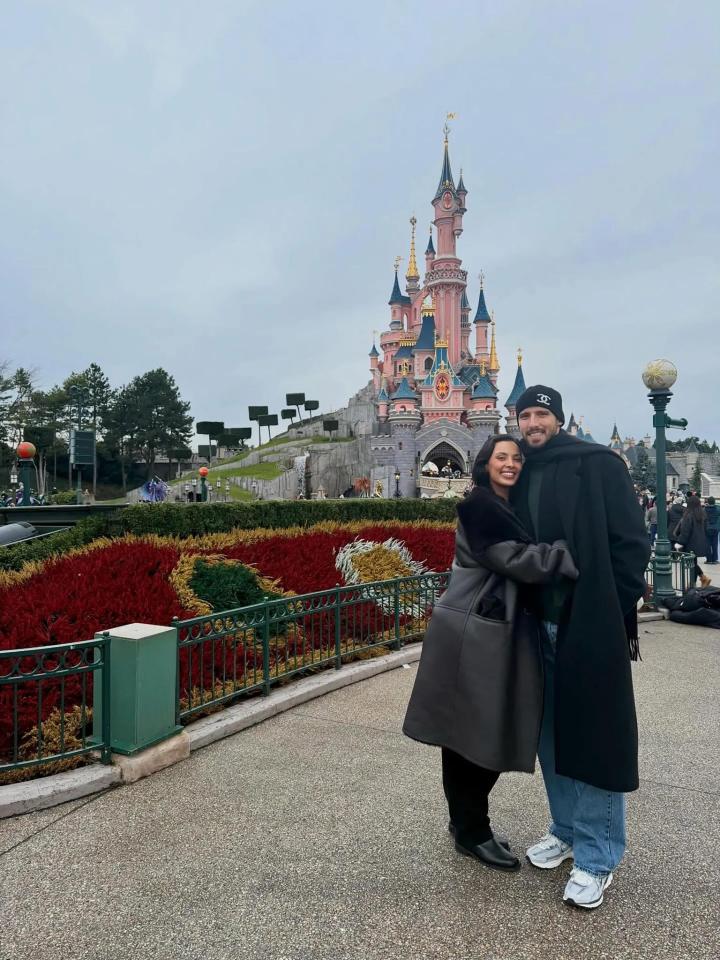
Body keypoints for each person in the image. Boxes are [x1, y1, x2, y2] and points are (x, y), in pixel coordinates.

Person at [403, 435, 578, 872]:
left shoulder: (506, 505)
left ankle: (464, 819)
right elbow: (515, 560)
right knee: (473, 735)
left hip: (489, 627)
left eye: (517, 458)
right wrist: (569, 552)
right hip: (473, 630)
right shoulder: (480, 506)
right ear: (485, 463)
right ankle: (472, 830)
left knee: (473, 730)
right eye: (502, 457)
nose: (511, 464)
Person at [512, 385, 650, 910]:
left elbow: (631, 544)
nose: (532, 423)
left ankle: (597, 855)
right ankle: (567, 829)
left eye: (541, 414)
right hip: (536, 625)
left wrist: (609, 606)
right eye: (525, 415)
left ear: (558, 418)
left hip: (586, 624)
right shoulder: (520, 468)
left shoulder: (597, 464)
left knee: (594, 738)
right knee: (550, 735)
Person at [676, 495, 711, 586]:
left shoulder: (688, 515)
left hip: (690, 543)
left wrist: (679, 542)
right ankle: (701, 579)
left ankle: (693, 584)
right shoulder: (703, 514)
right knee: (693, 563)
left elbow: (685, 531)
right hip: (700, 542)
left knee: (692, 563)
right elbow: (706, 529)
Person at [705, 496, 719, 564]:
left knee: (707, 544)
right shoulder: (718, 509)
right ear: (714, 502)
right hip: (715, 528)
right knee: (715, 544)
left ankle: (709, 559)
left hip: (707, 528)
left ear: (708, 502)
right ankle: (714, 559)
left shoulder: (704, 509)